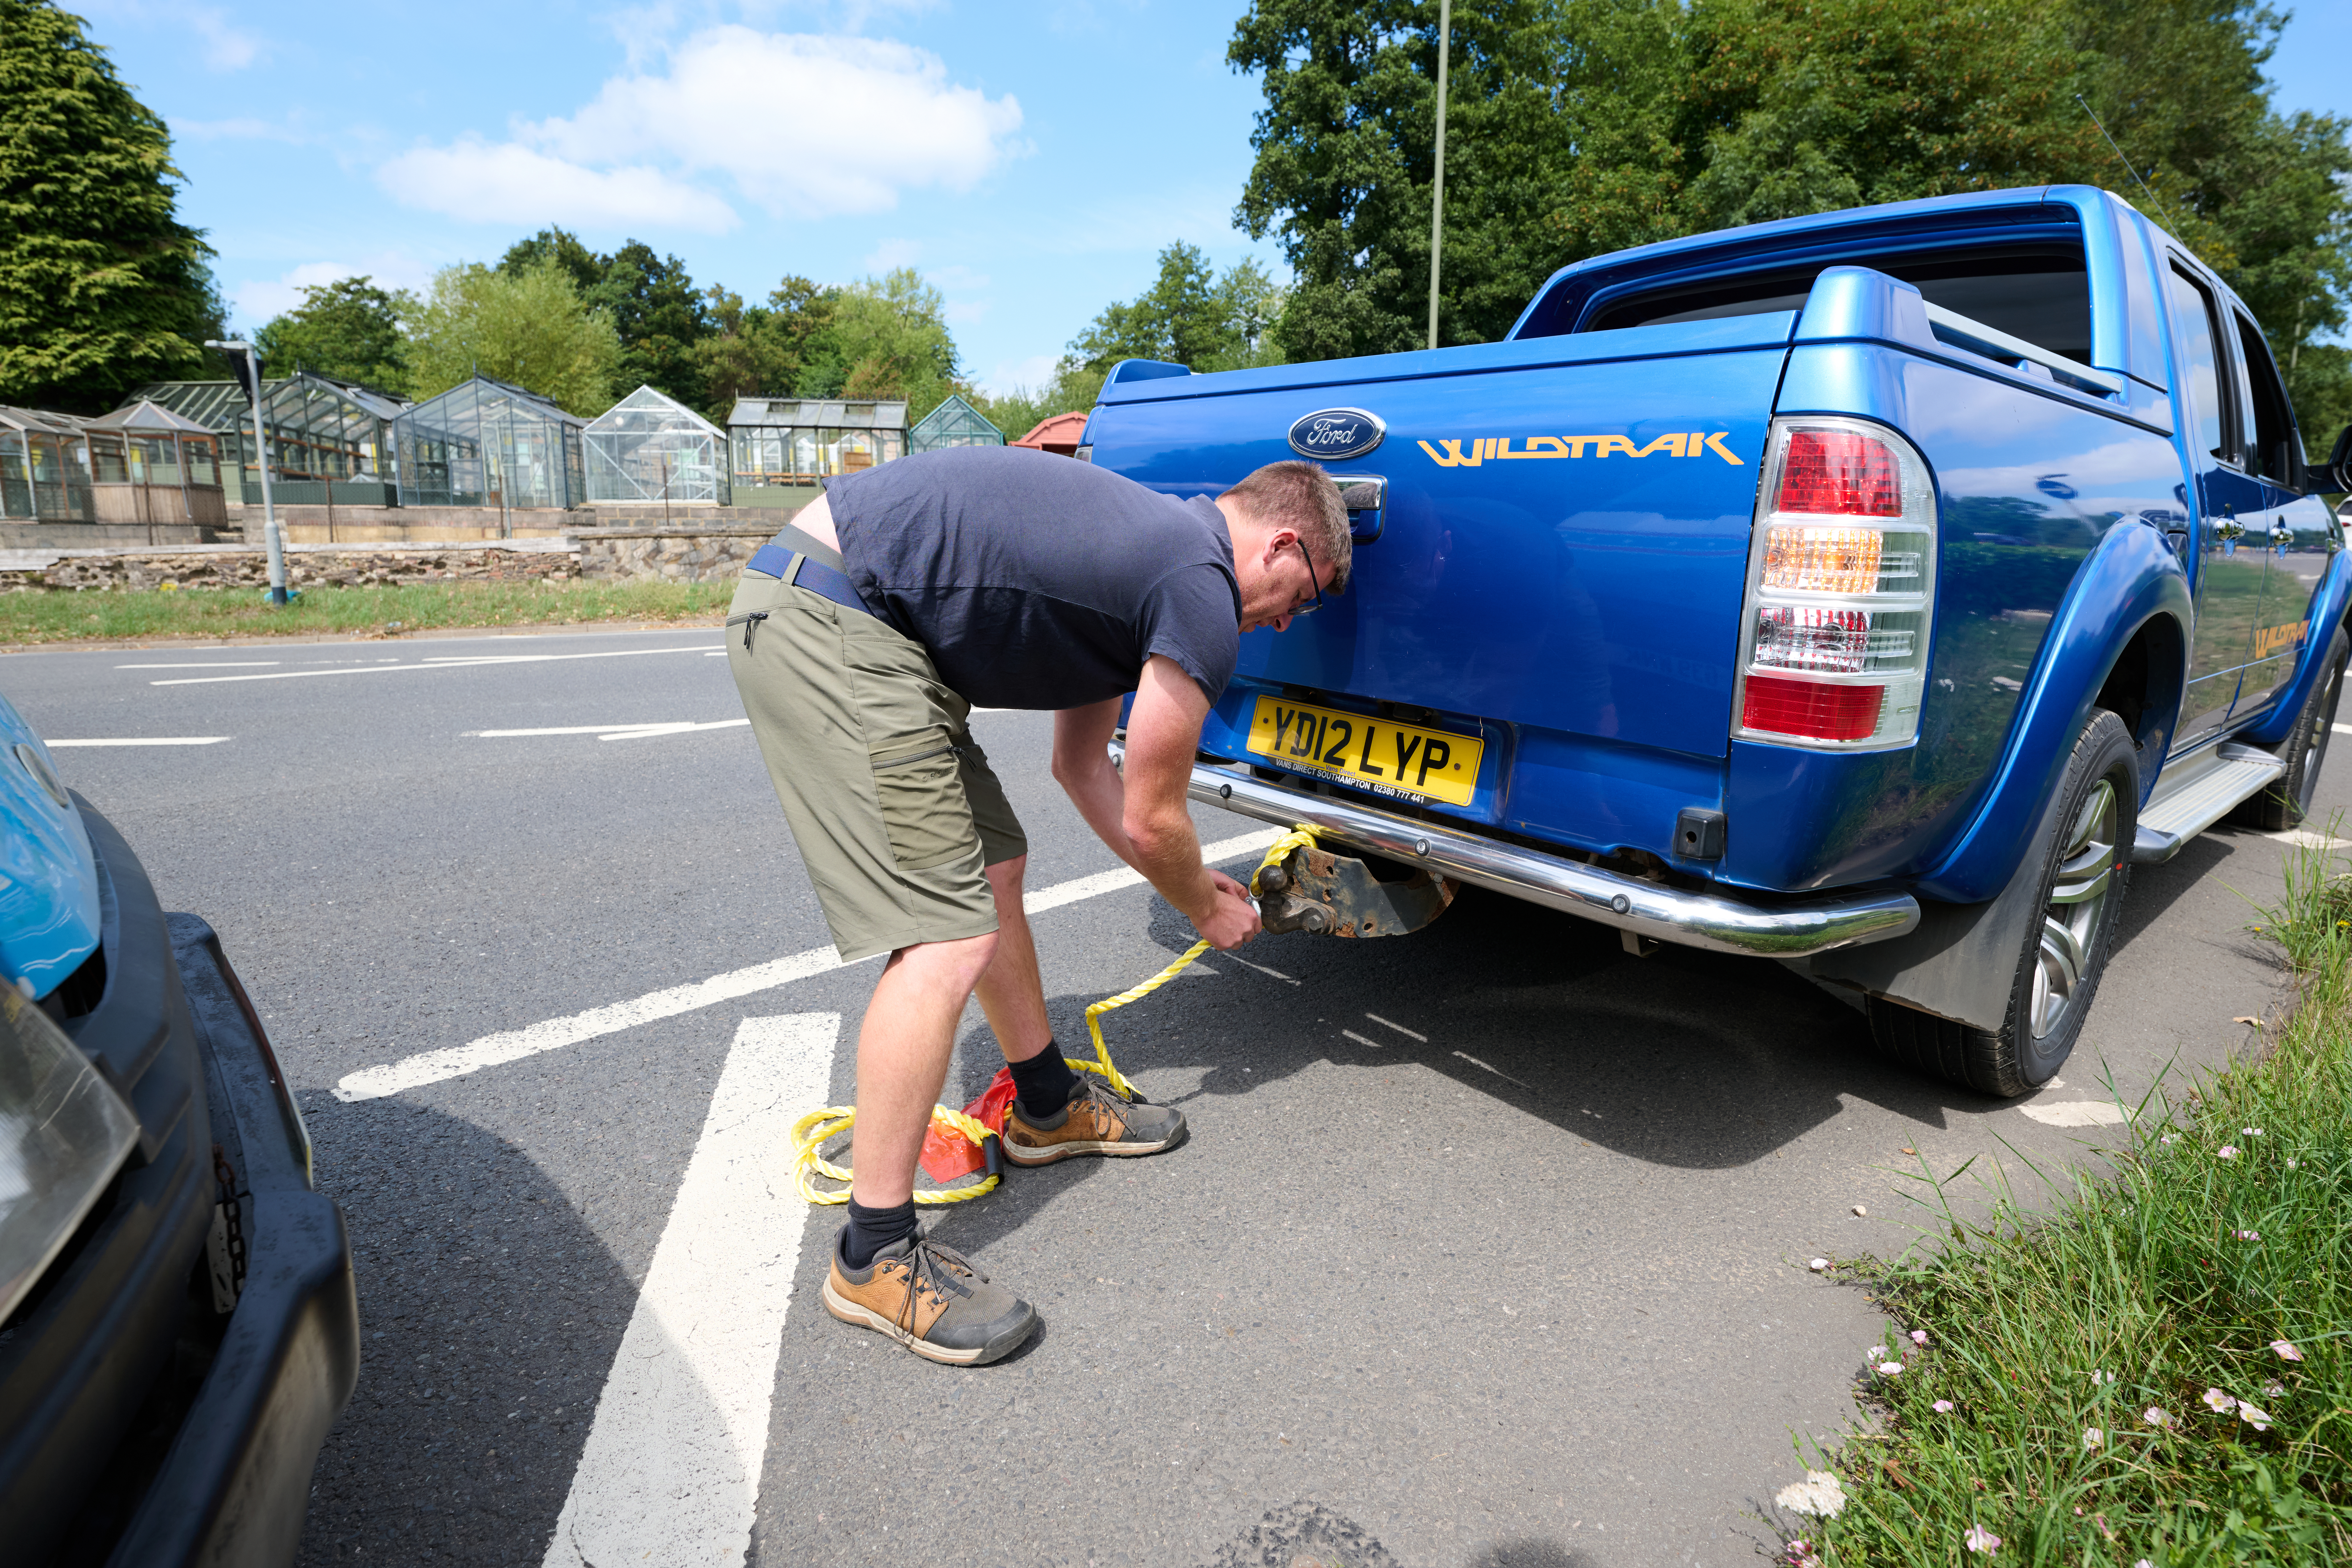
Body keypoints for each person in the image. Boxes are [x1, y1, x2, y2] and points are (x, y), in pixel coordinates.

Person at [726, 445, 1351, 1365]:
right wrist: (1204, 908)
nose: (1292, 622)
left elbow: (1081, 769)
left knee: (994, 871)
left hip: (845, 609)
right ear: (1283, 544)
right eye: (1309, 594)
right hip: (832, 614)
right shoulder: (1199, 586)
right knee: (947, 933)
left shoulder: (1151, 560)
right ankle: (872, 1254)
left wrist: (1179, 884)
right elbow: (1153, 812)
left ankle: (1048, 1107)